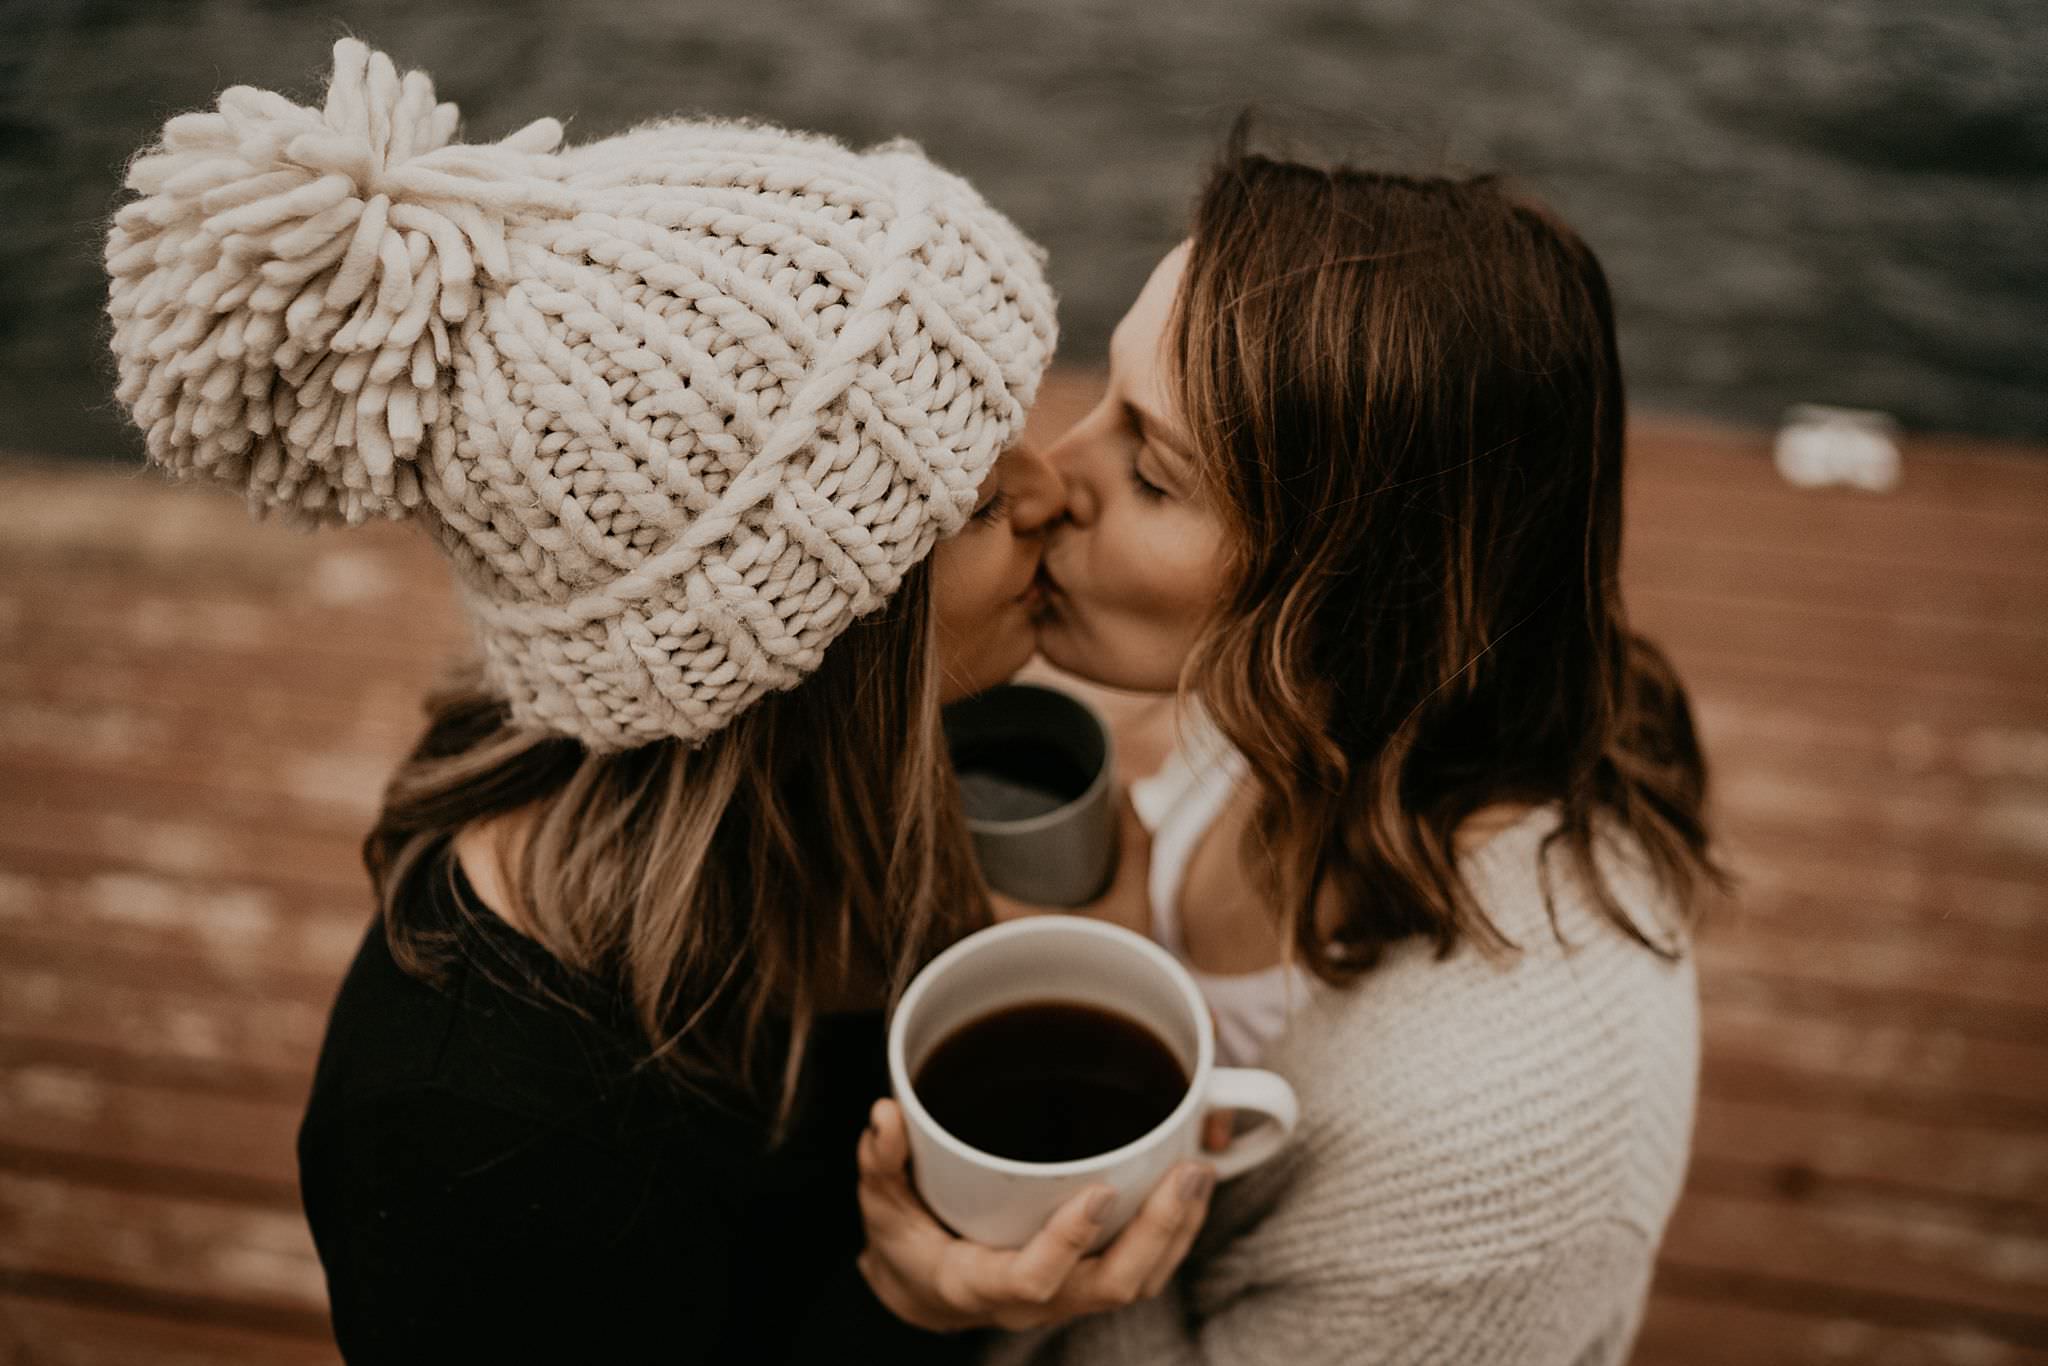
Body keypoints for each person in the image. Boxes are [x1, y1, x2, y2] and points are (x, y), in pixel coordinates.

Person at [102, 38, 1085, 1363]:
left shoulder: (875, 757)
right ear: (816, 650)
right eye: (978, 502)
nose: (1052, 490)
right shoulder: (476, 1134)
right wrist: (909, 1315)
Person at [855, 131, 1721, 1364]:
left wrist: (998, 1291)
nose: (1049, 480)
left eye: (1151, 474)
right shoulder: (1334, 710)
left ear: (1358, 598)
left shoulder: (1499, 1148)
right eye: (1103, 397)